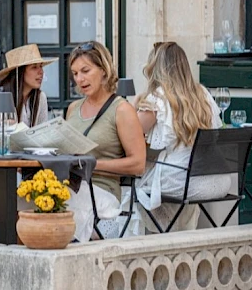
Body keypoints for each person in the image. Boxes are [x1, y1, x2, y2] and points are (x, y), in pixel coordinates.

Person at [125, 41, 227, 235]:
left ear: (155, 67)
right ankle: (177, 231)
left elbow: (128, 133)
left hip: (185, 181)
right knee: (159, 170)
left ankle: (153, 236)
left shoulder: (158, 98)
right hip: (217, 180)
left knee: (135, 182)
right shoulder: (203, 93)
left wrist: (134, 103)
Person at [65, 41, 146, 242]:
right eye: (75, 74)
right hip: (71, 183)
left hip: (102, 191)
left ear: (103, 70)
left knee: (51, 203)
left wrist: (92, 165)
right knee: (29, 196)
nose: (80, 79)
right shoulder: (73, 108)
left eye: (85, 70)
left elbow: (138, 164)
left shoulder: (121, 109)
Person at [0, 43, 57, 128]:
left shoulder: (40, 97)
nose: (41, 72)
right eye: (34, 67)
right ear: (20, 72)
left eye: (41, 66)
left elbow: (42, 130)